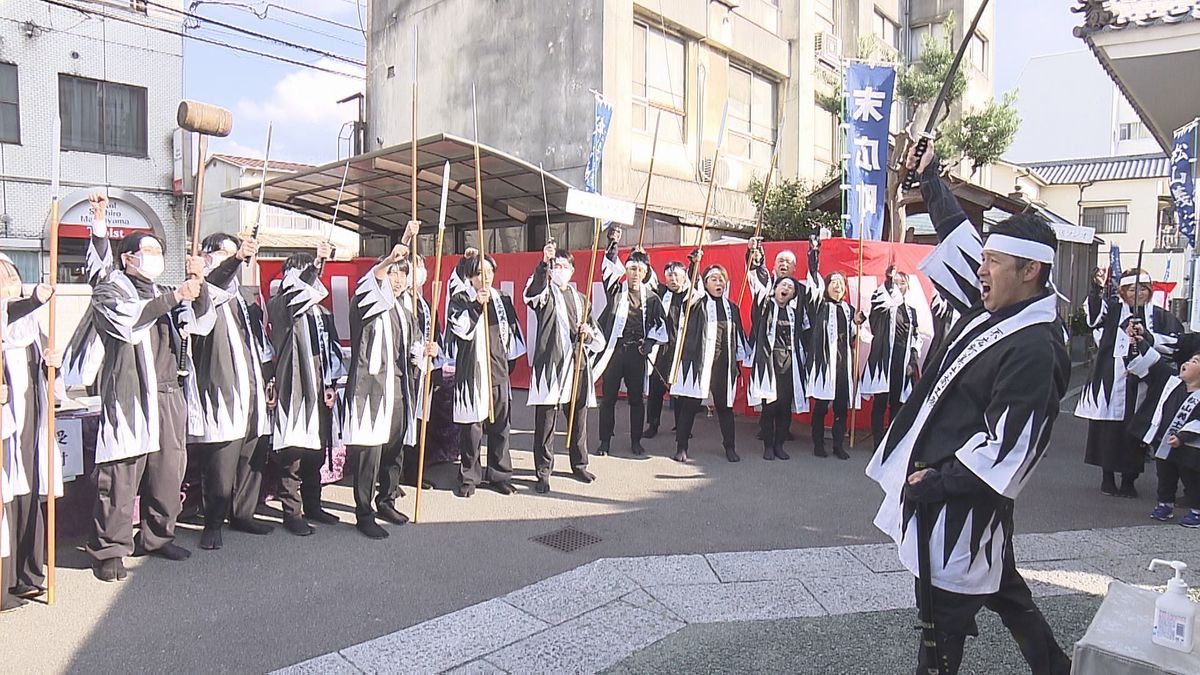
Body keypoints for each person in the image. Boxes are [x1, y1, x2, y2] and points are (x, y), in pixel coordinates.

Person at [866, 147, 1072, 675]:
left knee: (939, 628)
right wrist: (930, 176)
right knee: (1007, 592)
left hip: (959, 506)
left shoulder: (1035, 345)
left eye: (992, 263)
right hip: (952, 499)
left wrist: (938, 482)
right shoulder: (997, 302)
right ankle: (1057, 668)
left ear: (1031, 271)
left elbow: (1010, 448)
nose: (979, 269)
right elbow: (959, 235)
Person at [61, 193, 207, 582]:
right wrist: (98, 224)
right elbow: (129, 322)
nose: (155, 258)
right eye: (148, 251)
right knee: (121, 474)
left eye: (159, 251)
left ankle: (158, 536)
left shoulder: (165, 291)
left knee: (168, 472)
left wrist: (199, 281)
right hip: (129, 392)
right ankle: (108, 549)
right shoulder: (112, 291)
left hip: (169, 392)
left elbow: (201, 320)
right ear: (127, 258)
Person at [184, 233, 275, 551]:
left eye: (236, 254)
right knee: (220, 461)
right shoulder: (201, 289)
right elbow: (216, 283)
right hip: (220, 387)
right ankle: (212, 523)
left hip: (250, 387)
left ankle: (243, 513)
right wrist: (236, 260)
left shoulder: (243, 297)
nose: (233, 259)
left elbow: (259, 346)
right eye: (226, 253)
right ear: (207, 255)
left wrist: (267, 381)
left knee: (251, 454)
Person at [341, 241, 429, 539]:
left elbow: (413, 347)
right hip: (371, 387)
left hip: (399, 386)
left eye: (403, 273)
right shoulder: (366, 303)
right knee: (370, 452)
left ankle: (386, 499)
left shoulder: (405, 310)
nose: (398, 279)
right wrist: (389, 259)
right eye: (393, 273)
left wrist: (425, 350)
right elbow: (373, 281)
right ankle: (363, 512)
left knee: (395, 447)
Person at [1076, 266, 1182, 497]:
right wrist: (1096, 287)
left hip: (1144, 383)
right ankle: (1107, 477)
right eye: (1132, 289)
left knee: (1135, 432)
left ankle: (1129, 479)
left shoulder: (1160, 316)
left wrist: (1148, 337)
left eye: (1143, 289)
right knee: (1108, 431)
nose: (1138, 294)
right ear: (1123, 292)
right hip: (1111, 381)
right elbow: (1093, 318)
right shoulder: (1113, 312)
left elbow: (1176, 344)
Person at [266, 243, 346, 536]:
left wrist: (331, 383)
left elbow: (332, 350)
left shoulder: (321, 312)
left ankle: (314, 504)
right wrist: (318, 263)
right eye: (300, 272)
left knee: (316, 452)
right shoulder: (281, 305)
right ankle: (292, 512)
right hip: (294, 390)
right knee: (294, 454)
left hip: (319, 390)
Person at [0, 257, 62, 607]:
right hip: (5, 431)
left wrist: (52, 365)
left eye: (11, 273)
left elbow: (51, 372)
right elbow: (11, 311)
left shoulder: (34, 326)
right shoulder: (14, 314)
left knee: (31, 496)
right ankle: (3, 580)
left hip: (30, 423)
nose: (7, 279)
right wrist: (36, 299)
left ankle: (28, 574)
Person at [524, 241, 604, 492]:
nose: (560, 269)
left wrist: (587, 333)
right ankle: (543, 471)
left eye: (564, 265)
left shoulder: (581, 299)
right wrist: (543, 264)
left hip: (578, 366)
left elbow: (598, 337)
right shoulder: (545, 293)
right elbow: (532, 294)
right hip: (551, 367)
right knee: (546, 422)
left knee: (578, 419)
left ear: (572, 269)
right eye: (555, 265)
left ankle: (579, 464)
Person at [448, 251, 526, 497]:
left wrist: (507, 366)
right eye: (480, 273)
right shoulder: (460, 298)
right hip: (472, 373)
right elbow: (460, 329)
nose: (486, 277)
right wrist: (475, 305)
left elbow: (512, 334)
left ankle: (499, 474)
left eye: (490, 272)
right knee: (472, 430)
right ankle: (469, 476)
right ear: (470, 276)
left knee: (500, 427)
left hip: (498, 371)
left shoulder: (502, 298)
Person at [669, 255, 750, 463]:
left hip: (723, 364)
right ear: (705, 283)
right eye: (713, 279)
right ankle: (682, 447)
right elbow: (690, 286)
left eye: (721, 279)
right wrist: (694, 265)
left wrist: (740, 358)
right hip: (699, 363)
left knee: (725, 408)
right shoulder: (696, 302)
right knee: (690, 405)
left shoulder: (732, 308)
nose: (718, 283)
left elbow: (738, 335)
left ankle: (730, 447)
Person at [594, 226, 667, 456]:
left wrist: (650, 342)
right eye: (631, 268)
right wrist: (613, 242)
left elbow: (661, 325)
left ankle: (636, 441)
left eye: (639, 269)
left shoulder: (652, 298)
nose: (635, 273)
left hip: (637, 352)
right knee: (608, 399)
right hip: (615, 351)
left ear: (645, 273)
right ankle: (605, 441)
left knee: (636, 400)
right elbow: (607, 267)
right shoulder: (616, 290)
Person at [804, 241, 864, 460]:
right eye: (834, 283)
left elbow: (855, 337)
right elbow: (813, 281)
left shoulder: (849, 309)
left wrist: (858, 323)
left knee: (841, 407)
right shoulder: (820, 304)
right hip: (824, 362)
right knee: (821, 406)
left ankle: (838, 444)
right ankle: (818, 443)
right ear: (827, 286)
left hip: (843, 363)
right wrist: (814, 255)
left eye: (841, 283)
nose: (838, 286)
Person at [744, 271, 808, 461]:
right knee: (769, 406)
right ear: (775, 288)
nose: (786, 289)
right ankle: (768, 445)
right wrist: (757, 260)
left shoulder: (795, 312)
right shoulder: (765, 306)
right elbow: (759, 287)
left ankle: (780, 444)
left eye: (790, 287)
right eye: (783, 285)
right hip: (769, 359)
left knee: (784, 407)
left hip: (790, 361)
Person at [859, 267, 922, 449]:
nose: (898, 286)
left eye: (902, 283)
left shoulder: (911, 311)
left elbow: (916, 337)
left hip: (902, 362)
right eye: (896, 283)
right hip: (882, 360)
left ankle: (892, 441)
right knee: (880, 403)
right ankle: (878, 442)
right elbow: (878, 305)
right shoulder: (882, 307)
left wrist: (912, 360)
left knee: (897, 403)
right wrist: (888, 280)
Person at [1137, 346, 1200, 527]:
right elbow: (1157, 364)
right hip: (1165, 442)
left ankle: (1196, 510)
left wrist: (1183, 436)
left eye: (1194, 362)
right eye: (1189, 360)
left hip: (1191, 448)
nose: (1187, 363)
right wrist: (1140, 343)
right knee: (1165, 475)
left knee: (1192, 479)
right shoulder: (1173, 384)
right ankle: (1165, 504)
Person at [644, 260, 690, 439]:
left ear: (684, 276)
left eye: (676, 275)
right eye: (669, 275)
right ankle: (653, 424)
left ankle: (682, 426)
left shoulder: (690, 294)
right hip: (662, 349)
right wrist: (644, 259)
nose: (673, 279)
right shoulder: (661, 293)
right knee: (656, 388)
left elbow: (698, 283)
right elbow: (649, 277)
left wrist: (695, 265)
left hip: (683, 350)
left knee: (680, 391)